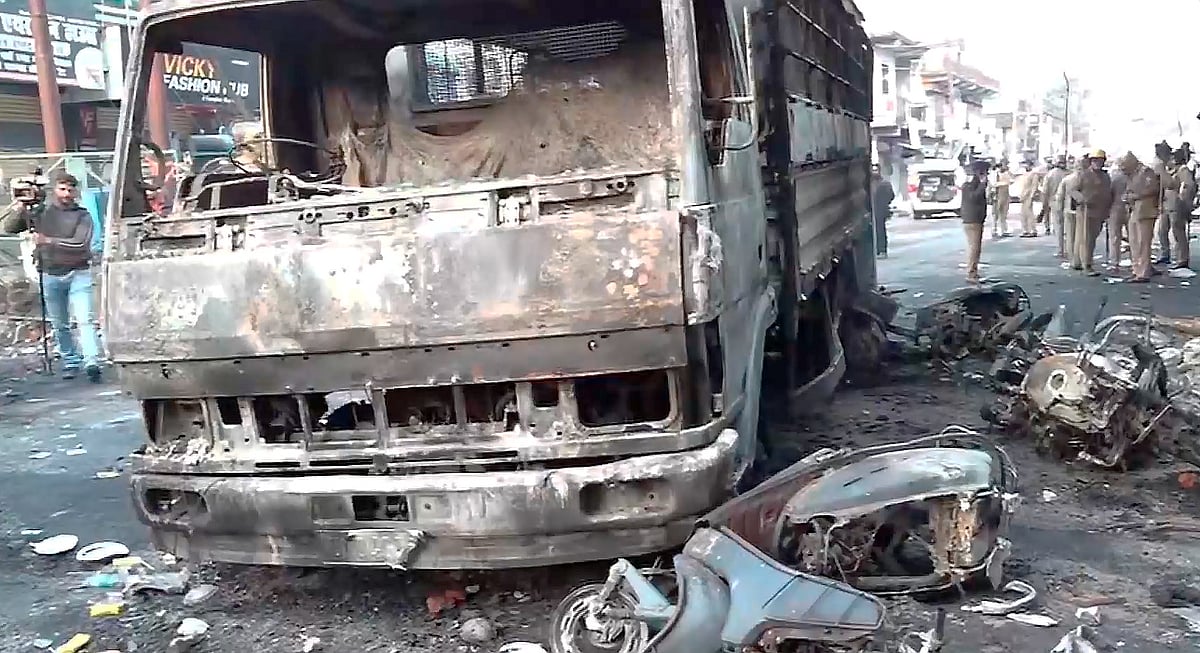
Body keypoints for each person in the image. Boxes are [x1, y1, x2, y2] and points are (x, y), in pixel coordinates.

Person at [0, 173, 103, 382]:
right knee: (60, 324)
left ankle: (92, 361)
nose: (66, 194)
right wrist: (20, 206)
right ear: (54, 190)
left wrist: (48, 240)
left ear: (75, 192)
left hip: (78, 272)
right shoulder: (41, 212)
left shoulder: (82, 215)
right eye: (62, 189)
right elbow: (9, 228)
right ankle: (70, 361)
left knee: (85, 320)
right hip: (50, 273)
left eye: (70, 189)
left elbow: (80, 244)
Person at [1122, 151, 1175, 282]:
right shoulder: (1132, 174)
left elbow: (1153, 188)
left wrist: (1135, 195)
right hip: (1135, 210)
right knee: (1134, 241)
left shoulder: (1146, 172)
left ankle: (1144, 272)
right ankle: (1137, 269)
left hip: (1146, 210)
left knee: (1143, 243)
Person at [1075, 149, 1114, 276]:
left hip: (1100, 212)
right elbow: (1073, 190)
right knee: (1086, 239)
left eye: (1100, 161)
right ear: (1091, 161)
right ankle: (1087, 265)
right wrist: (1080, 198)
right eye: (1095, 160)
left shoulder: (1105, 176)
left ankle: (1084, 262)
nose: (1098, 163)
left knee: (1092, 239)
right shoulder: (1083, 175)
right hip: (1086, 211)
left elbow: (1108, 193)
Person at [961, 160, 990, 283]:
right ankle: (971, 273)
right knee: (974, 247)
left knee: (975, 247)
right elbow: (974, 197)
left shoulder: (974, 183)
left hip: (975, 218)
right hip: (973, 219)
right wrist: (983, 185)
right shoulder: (970, 184)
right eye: (984, 172)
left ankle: (974, 271)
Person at [1168, 148, 1196, 269]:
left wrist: (1184, 201)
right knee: (1176, 232)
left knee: (1179, 233)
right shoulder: (1176, 170)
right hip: (1173, 205)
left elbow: (1188, 187)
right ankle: (1179, 257)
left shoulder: (1183, 171)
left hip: (1179, 205)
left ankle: (1182, 259)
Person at [1056, 158, 1086, 265]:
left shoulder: (1067, 179)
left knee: (1070, 235)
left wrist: (1059, 210)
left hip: (1069, 209)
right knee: (1081, 236)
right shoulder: (1086, 178)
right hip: (1081, 210)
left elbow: (1060, 196)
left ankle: (1072, 259)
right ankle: (1079, 259)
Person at [1107, 155, 1130, 271]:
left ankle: (1114, 262)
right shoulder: (1133, 177)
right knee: (1134, 237)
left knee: (1115, 237)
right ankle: (1136, 260)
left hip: (1116, 208)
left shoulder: (1114, 178)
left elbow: (1108, 195)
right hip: (1129, 209)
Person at [1041, 156, 1069, 249]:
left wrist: (1044, 204)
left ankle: (1060, 249)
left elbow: (1045, 191)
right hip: (1068, 202)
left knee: (1058, 226)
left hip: (1054, 202)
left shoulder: (1050, 175)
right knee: (1068, 227)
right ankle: (1069, 248)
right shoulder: (1069, 174)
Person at [870, 164, 895, 259]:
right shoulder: (869, 184)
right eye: (873, 170)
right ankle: (877, 250)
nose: (874, 172)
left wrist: (884, 204)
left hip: (880, 211)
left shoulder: (884, 184)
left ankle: (882, 250)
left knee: (880, 231)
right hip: (871, 211)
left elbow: (891, 196)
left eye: (876, 170)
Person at [1018, 162, 1043, 237]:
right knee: (1023, 214)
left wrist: (1032, 195)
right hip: (1023, 196)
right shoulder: (1024, 174)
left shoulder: (1034, 174)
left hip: (1029, 195)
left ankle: (1032, 230)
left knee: (1029, 213)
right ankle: (1025, 230)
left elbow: (1034, 186)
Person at [990, 162, 1013, 238]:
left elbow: (1011, 181)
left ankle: (1004, 230)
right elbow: (993, 184)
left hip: (1005, 196)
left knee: (1003, 214)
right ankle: (994, 230)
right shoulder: (994, 175)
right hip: (997, 196)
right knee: (996, 214)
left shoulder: (1006, 174)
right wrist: (1004, 183)